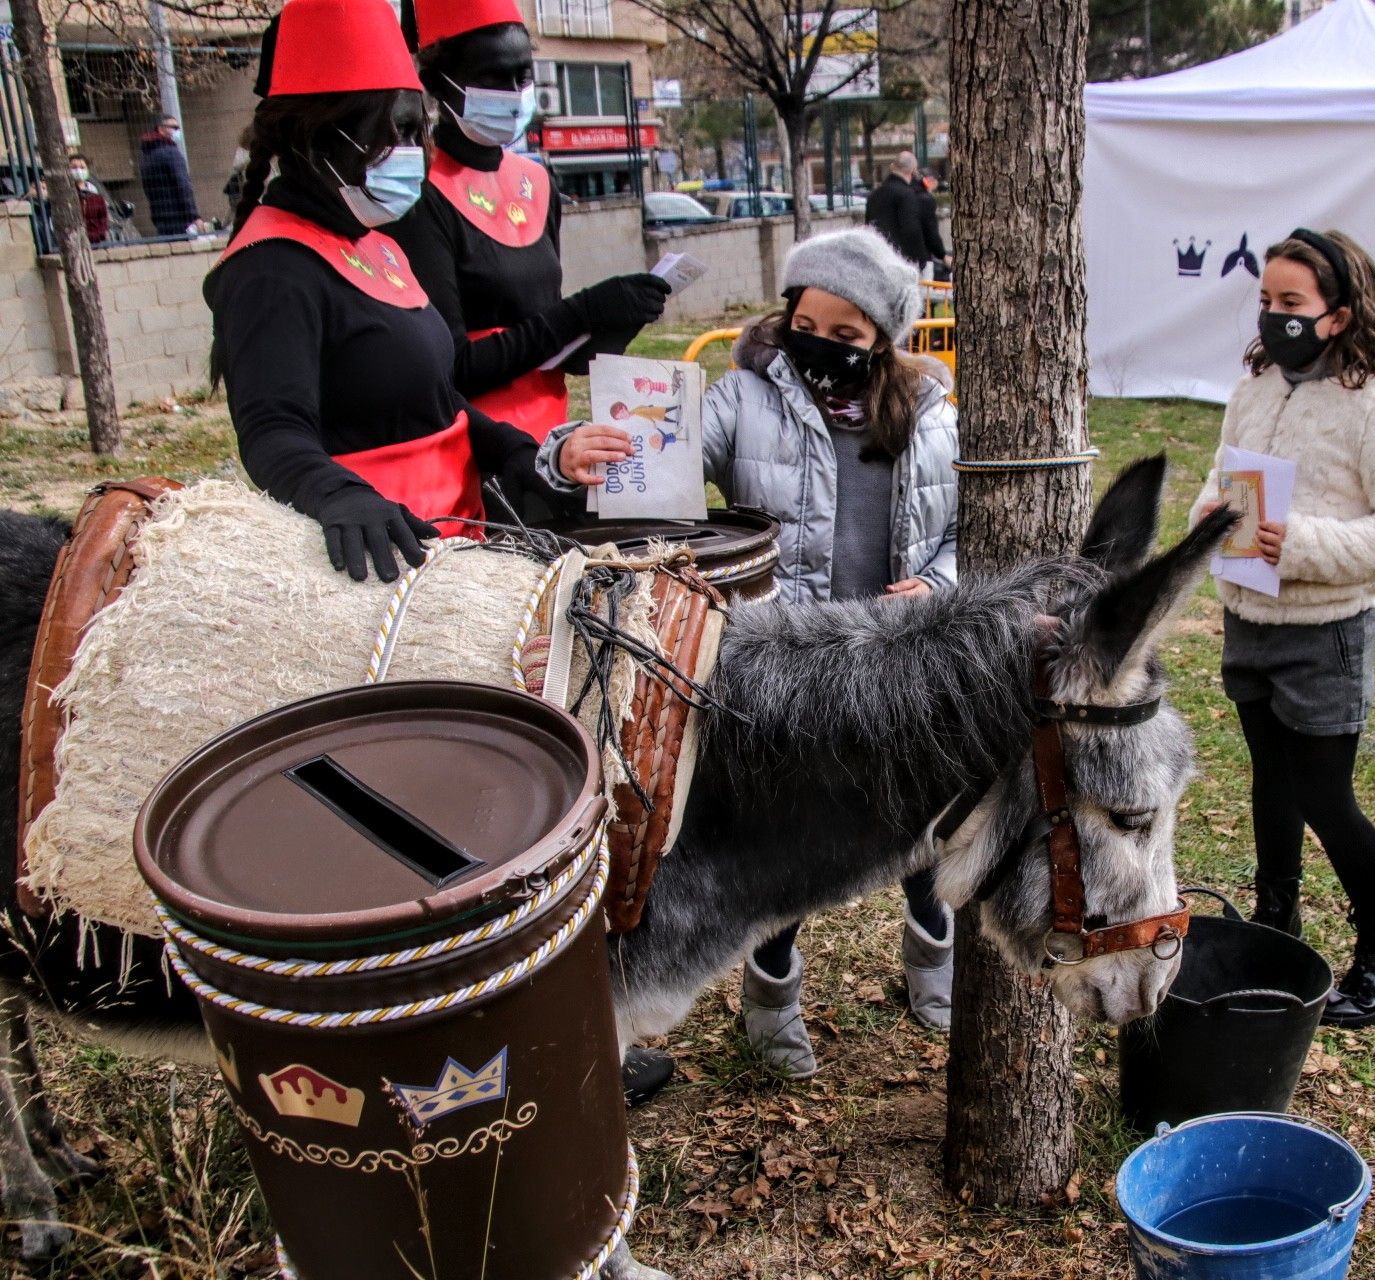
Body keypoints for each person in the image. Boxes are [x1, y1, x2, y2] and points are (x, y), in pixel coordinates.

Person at [539, 228, 959, 1077]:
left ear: (882, 339)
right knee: (789, 835)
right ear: (787, 314)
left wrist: (939, 586)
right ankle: (771, 995)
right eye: (811, 322)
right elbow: (653, 456)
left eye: (849, 334)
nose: (825, 345)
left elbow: (963, 529)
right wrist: (569, 453)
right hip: (787, 665)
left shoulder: (932, 413)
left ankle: (934, 965)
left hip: (902, 655)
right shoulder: (744, 398)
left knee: (927, 827)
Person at [206, 0, 609, 583]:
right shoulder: (272, 267)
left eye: (416, 131)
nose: (414, 154)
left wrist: (521, 451)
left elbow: (437, 402)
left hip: (453, 545)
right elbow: (272, 430)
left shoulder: (380, 246)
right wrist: (338, 495)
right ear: (319, 134)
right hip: (380, 563)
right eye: (396, 131)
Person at [1191, 228, 1375, 1028]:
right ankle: (1277, 925)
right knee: (1271, 783)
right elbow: (1223, 475)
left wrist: (1301, 545)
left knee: (1325, 798)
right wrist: (1209, 516)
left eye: (1291, 304)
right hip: (1249, 616)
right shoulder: (1255, 389)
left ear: (1338, 314)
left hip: (1327, 628)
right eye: (1266, 301)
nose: (1273, 317)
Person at [391, 0, 669, 444]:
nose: (513, 92)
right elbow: (450, 369)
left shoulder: (536, 182)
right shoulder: (421, 198)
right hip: (475, 447)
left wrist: (614, 319)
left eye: (522, 76)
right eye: (492, 78)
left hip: (553, 443)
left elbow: (548, 345)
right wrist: (580, 313)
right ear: (438, 85)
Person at [865, 150, 934, 271]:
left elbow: (868, 226)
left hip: (878, 258)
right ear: (913, 170)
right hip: (901, 262)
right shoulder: (907, 195)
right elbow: (911, 229)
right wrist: (921, 259)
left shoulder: (874, 195)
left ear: (892, 167)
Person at [138, 114, 201, 237]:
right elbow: (183, 185)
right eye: (174, 127)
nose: (177, 130)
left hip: (159, 215)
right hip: (179, 217)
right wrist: (194, 215)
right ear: (161, 129)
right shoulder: (170, 153)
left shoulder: (147, 156)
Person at [68, 154, 110, 245]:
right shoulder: (65, 195)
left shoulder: (97, 196)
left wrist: (98, 235)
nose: (78, 170)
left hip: (96, 242)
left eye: (82, 167)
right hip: (74, 243)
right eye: (74, 168)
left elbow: (103, 220)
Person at [916, 172, 950, 280]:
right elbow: (931, 231)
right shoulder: (927, 200)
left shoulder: (910, 196)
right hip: (924, 256)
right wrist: (942, 254)